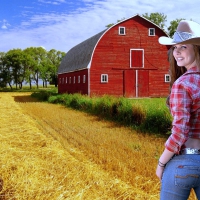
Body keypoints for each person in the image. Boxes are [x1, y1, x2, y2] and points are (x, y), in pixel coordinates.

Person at [156, 20, 200, 199]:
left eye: (183, 47)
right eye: (175, 48)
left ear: (197, 49)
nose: (177, 52)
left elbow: (180, 133)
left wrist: (161, 163)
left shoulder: (183, 84)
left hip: (184, 161)